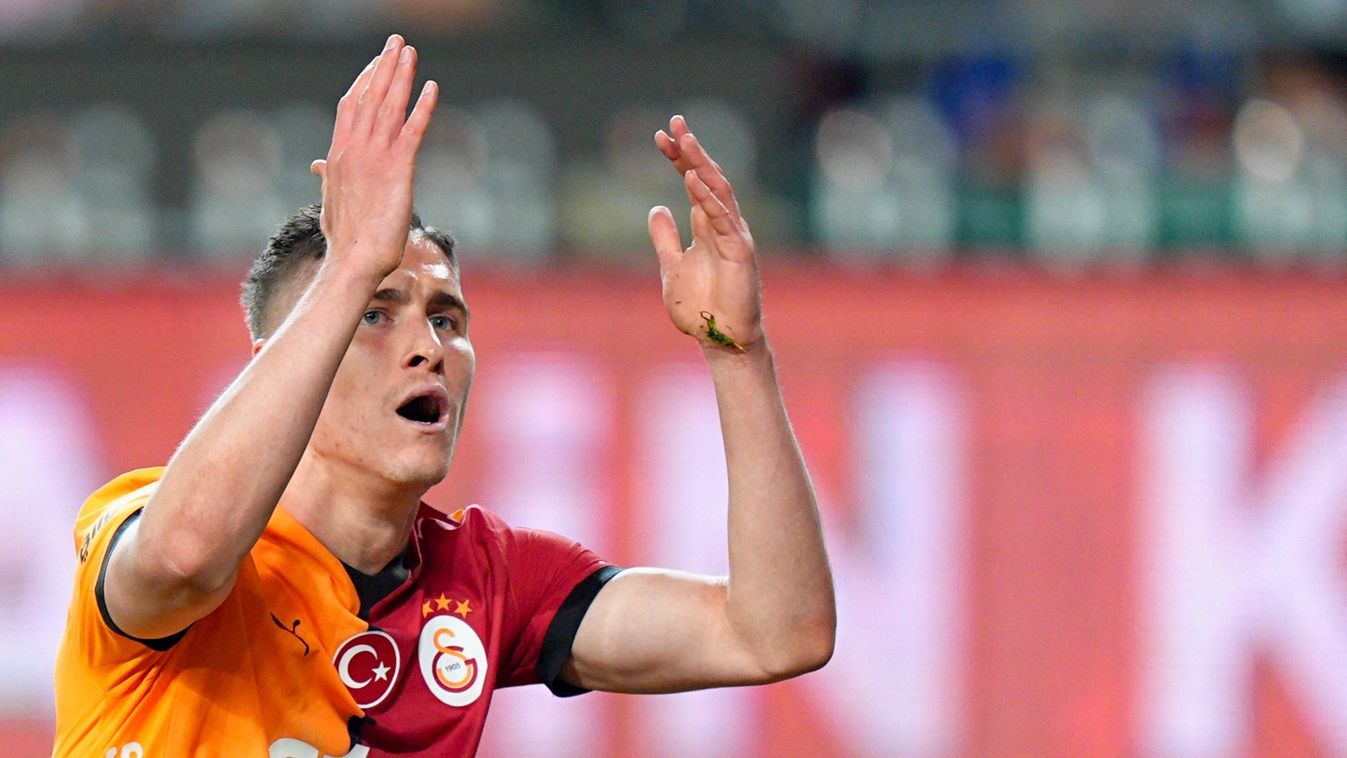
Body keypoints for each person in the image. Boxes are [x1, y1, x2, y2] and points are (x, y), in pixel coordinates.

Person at [53, 34, 835, 757]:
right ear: (283, 362)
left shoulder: (484, 581)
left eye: (446, 318)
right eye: (374, 314)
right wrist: (351, 262)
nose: (428, 347)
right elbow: (185, 559)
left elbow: (775, 634)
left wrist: (738, 353)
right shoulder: (137, 522)